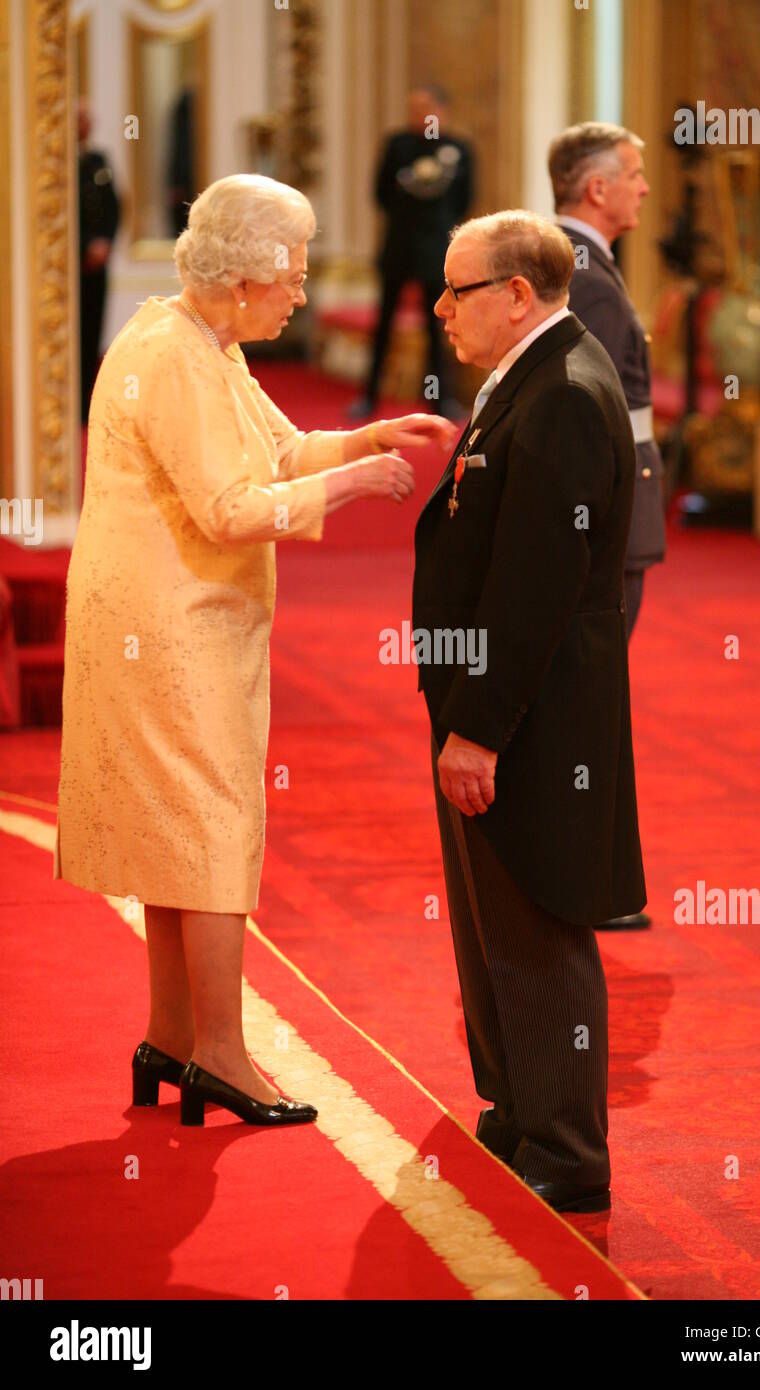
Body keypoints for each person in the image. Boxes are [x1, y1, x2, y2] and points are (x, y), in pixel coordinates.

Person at [54, 174, 455, 1128]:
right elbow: (230, 510)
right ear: (246, 277)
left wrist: (366, 434)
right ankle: (222, 1055)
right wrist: (360, 482)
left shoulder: (200, 339)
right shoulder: (179, 354)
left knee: (175, 829)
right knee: (212, 824)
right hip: (167, 625)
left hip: (178, 616)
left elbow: (273, 453)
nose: (305, 294)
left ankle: (175, 1036)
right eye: (296, 275)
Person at [413, 211, 646, 1212]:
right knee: (488, 919)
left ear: (515, 295)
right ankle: (514, 1108)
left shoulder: (556, 391)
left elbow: (531, 588)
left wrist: (478, 725)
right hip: (497, 700)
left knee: (536, 920)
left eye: (455, 290)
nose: (437, 308)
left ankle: (566, 1149)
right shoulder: (530, 373)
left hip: (532, 718)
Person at [549, 121, 666, 932]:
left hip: (616, 517)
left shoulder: (582, 262)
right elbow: (588, 421)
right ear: (596, 188)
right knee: (584, 707)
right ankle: (574, 885)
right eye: (632, 174)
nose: (643, 188)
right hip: (611, 523)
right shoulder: (584, 272)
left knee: (588, 701)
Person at [349, 84, 474, 420]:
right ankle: (370, 396)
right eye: (413, 107)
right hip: (399, 248)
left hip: (436, 253)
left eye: (424, 107)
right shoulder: (398, 145)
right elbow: (380, 194)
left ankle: (439, 399)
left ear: (442, 111)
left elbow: (463, 202)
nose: (418, 114)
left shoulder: (459, 149)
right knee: (384, 326)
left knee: (437, 329)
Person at [78, 98, 120, 423]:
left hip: (98, 265)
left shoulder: (98, 161)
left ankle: (87, 403)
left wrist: (104, 243)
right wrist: (81, 248)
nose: (86, 123)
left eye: (88, 118)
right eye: (80, 118)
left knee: (93, 332)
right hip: (69, 267)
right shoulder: (55, 163)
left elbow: (112, 207)